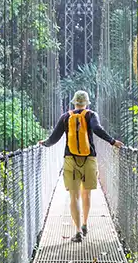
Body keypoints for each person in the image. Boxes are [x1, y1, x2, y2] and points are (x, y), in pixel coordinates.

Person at [39, 90, 123, 242]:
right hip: (89, 159)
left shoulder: (66, 117)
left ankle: (77, 231)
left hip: (70, 159)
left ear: (74, 102)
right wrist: (112, 141)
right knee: (87, 194)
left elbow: (54, 138)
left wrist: (44, 144)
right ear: (86, 102)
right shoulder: (91, 115)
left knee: (74, 196)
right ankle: (85, 224)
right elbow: (97, 129)